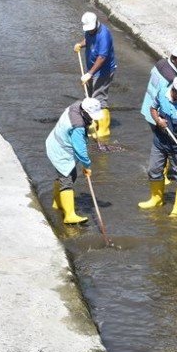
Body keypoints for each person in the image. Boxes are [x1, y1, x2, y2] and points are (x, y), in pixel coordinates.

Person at [138, 76, 177, 217]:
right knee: (153, 169)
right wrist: (158, 120)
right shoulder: (162, 93)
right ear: (173, 90)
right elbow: (153, 108)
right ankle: (157, 199)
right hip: (160, 142)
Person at [47, 97, 103, 225]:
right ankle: (69, 215)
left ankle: (57, 203)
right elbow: (80, 150)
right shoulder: (77, 126)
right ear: (85, 112)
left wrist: (90, 127)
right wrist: (87, 166)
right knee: (67, 180)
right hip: (61, 152)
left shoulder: (76, 105)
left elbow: (84, 123)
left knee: (69, 176)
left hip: (55, 143)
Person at [73, 12, 116, 139]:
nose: (90, 31)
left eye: (91, 29)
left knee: (99, 99)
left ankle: (104, 129)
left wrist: (90, 73)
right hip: (91, 70)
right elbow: (88, 39)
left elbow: (102, 57)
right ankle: (93, 122)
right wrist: (81, 44)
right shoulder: (90, 30)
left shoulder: (104, 35)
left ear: (97, 23)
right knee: (90, 97)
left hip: (103, 71)